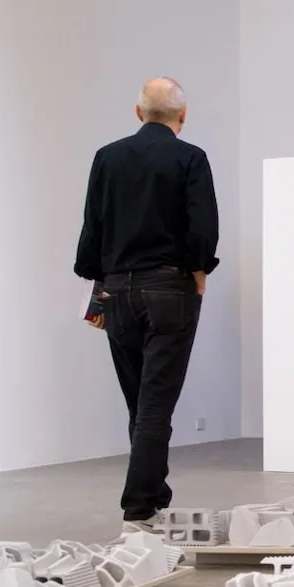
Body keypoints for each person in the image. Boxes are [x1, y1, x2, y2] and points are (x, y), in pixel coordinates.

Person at [74, 77, 219, 525]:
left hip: (118, 291)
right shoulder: (190, 158)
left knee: (139, 402)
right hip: (169, 290)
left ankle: (154, 492)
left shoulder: (107, 157)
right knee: (156, 403)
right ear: (183, 116)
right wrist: (199, 271)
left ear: (138, 113)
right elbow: (202, 227)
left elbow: (93, 227)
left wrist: (98, 286)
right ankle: (138, 506)